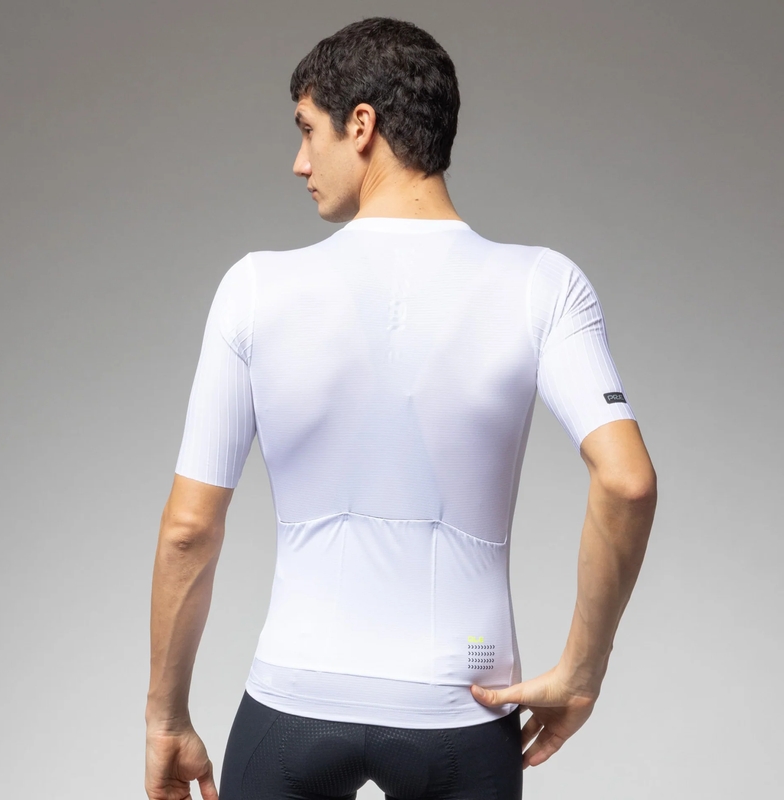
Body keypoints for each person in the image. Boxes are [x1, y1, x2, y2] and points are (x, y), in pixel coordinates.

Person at [144, 16, 657, 800]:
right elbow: (627, 481)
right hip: (462, 702)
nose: (299, 162)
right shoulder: (543, 287)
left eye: (307, 130)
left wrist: (166, 718)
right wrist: (582, 671)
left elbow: (188, 530)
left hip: (293, 696)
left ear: (362, 125)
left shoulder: (254, 290)